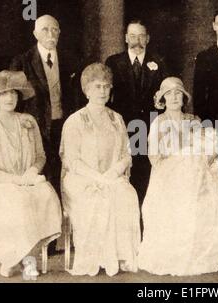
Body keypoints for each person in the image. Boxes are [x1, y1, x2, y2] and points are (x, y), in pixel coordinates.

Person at [0, 70, 62, 277]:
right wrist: (16, 180)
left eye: (13, 93)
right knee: (17, 201)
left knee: (46, 194)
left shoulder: (28, 120)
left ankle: (28, 256)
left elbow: (40, 155)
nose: (10, 97)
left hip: (28, 179)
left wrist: (32, 170)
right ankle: (12, 258)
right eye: (4, 93)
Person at [138, 77, 218, 276]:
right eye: (169, 94)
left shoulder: (194, 120)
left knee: (209, 190)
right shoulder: (159, 122)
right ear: (162, 99)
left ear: (184, 97)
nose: (174, 97)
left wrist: (209, 151)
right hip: (169, 176)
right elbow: (154, 158)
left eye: (178, 93)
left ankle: (198, 254)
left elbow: (210, 147)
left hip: (196, 173)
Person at [60, 63, 140, 276]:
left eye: (106, 86)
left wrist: (113, 173)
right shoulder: (75, 121)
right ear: (86, 89)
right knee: (95, 199)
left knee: (126, 194)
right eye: (97, 86)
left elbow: (126, 154)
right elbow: (72, 160)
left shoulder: (117, 119)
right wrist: (98, 177)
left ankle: (120, 255)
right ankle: (96, 257)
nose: (103, 91)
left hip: (111, 175)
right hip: (81, 179)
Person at [10, 14, 81, 198]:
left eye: (55, 29)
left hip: (63, 126)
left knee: (64, 173)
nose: (51, 33)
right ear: (35, 34)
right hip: (35, 128)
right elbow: (13, 99)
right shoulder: (22, 62)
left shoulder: (70, 60)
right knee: (40, 178)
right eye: (45, 29)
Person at [105, 19, 169, 204]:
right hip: (124, 128)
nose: (137, 40)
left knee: (147, 176)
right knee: (125, 174)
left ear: (148, 38)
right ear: (126, 38)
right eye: (132, 36)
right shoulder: (114, 62)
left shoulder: (159, 61)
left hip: (151, 129)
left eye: (141, 36)